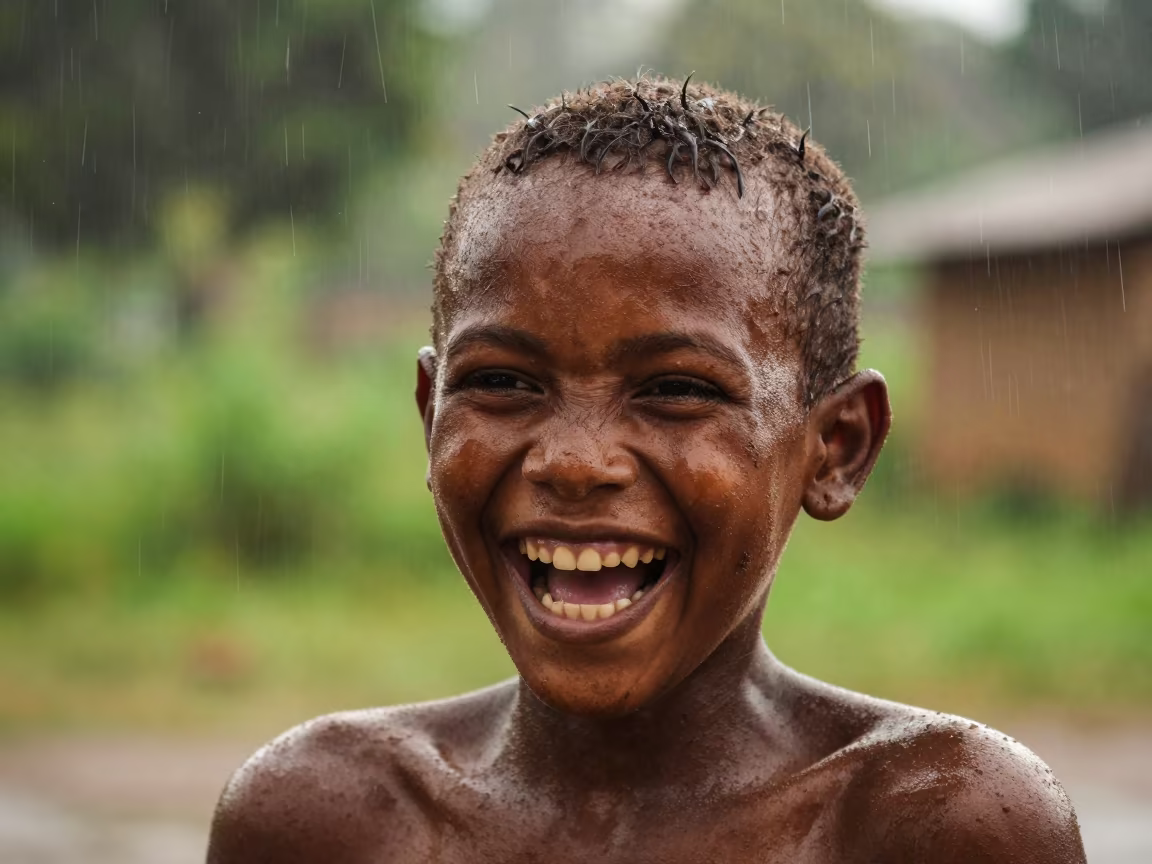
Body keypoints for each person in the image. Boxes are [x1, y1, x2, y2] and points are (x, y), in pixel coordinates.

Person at [207, 75, 1086, 863]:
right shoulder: (326, 823)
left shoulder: (934, 827)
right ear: (430, 412)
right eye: (503, 382)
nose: (574, 462)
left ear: (839, 447)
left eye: (675, 389)